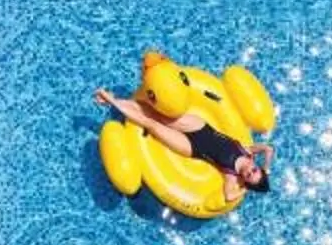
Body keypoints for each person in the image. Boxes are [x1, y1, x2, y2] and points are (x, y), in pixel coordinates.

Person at [96, 86, 276, 207]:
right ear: (257, 166)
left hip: (191, 148)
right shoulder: (248, 151)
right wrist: (267, 169)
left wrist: (244, 189)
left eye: (248, 176)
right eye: (254, 170)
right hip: (200, 127)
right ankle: (116, 100)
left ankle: (110, 100)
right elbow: (269, 149)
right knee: (161, 116)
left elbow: (229, 196)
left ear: (245, 180)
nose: (249, 171)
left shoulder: (231, 175)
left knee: (152, 125)